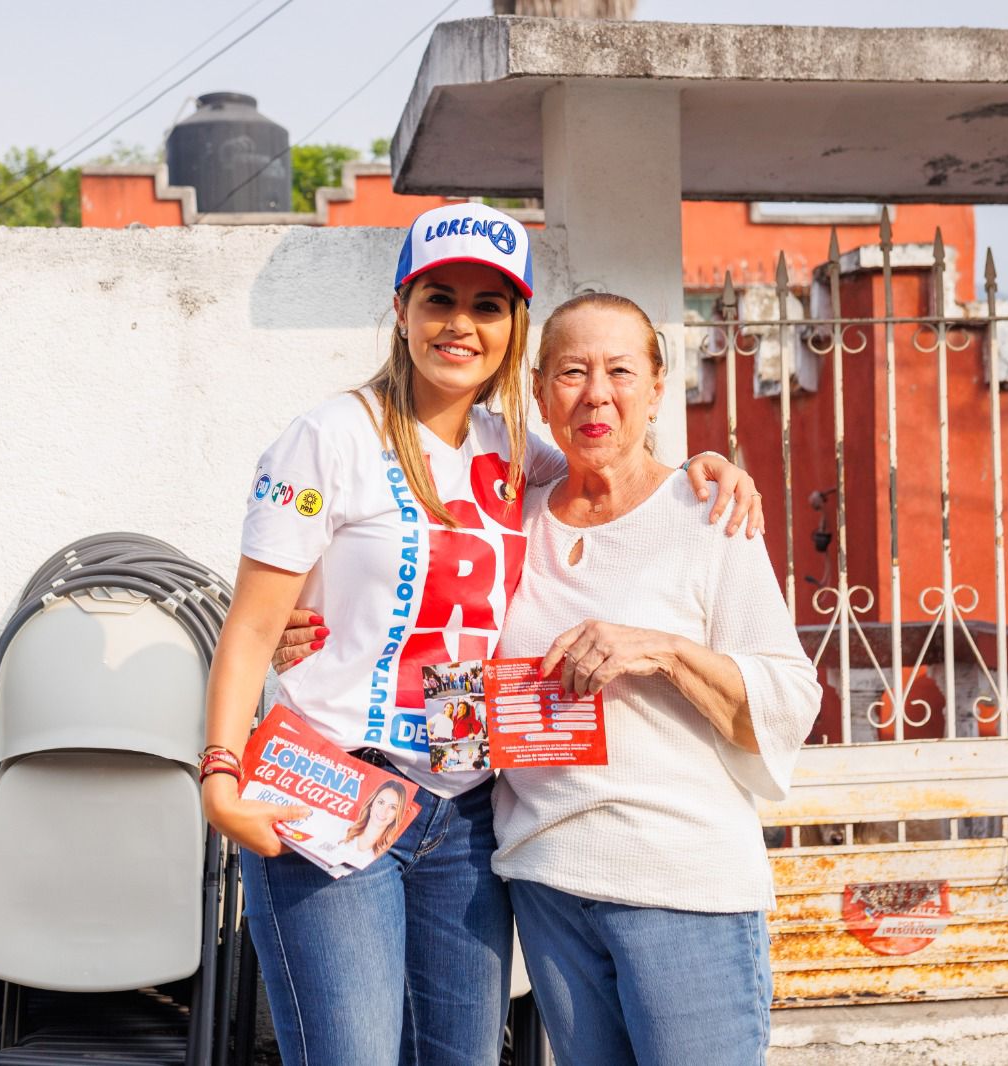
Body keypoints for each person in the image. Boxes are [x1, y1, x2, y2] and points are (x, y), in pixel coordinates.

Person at [199, 203, 762, 1065]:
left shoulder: (517, 454)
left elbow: (612, 467)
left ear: (514, 327)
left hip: (462, 813)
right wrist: (219, 775)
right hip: (332, 783)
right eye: (439, 299)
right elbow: (251, 627)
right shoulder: (329, 438)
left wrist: (699, 470)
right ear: (402, 310)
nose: (460, 324)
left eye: (487, 306)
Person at [493, 293, 822, 1065]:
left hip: (682, 887)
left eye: (619, 370)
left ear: (657, 388)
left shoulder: (707, 512)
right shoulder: (514, 520)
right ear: (541, 393)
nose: (596, 393)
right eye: (572, 371)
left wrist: (665, 652)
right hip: (548, 882)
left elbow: (788, 699)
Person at [339, 779, 408, 862]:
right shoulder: (342, 827)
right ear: (372, 804)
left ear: (397, 815)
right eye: (381, 802)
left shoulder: (389, 853)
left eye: (393, 807)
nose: (384, 810)